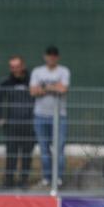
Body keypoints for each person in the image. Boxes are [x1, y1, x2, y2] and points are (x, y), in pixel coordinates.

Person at [30, 45, 70, 187]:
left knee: (59, 149)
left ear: (57, 57)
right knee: (44, 149)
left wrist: (44, 87)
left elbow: (63, 89)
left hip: (59, 116)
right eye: (49, 55)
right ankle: (47, 177)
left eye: (54, 55)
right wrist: (53, 87)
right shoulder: (37, 71)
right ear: (45, 56)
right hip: (40, 115)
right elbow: (33, 91)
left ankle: (58, 178)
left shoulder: (64, 71)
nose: (51, 57)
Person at [0, 55, 35, 188]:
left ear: (23, 66)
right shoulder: (6, 82)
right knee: (11, 153)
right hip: (12, 124)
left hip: (29, 124)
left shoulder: (32, 80)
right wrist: (0, 117)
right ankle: (9, 180)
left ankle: (24, 180)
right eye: (12, 67)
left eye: (17, 66)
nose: (15, 70)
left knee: (26, 154)